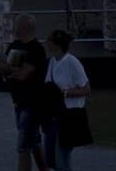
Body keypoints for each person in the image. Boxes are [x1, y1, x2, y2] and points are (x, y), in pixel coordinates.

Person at [0, 12, 50, 171]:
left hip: (32, 103)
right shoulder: (14, 45)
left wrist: (9, 71)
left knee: (23, 146)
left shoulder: (36, 49)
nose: (13, 28)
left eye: (16, 25)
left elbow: (22, 75)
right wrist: (13, 71)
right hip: (19, 101)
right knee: (34, 141)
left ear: (24, 27)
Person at [45, 30, 91, 170]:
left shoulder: (72, 62)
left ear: (57, 44)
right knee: (51, 157)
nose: (46, 43)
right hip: (55, 115)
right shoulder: (53, 62)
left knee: (62, 158)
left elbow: (86, 89)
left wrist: (64, 93)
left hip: (70, 115)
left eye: (49, 40)